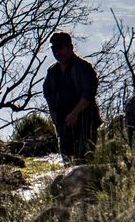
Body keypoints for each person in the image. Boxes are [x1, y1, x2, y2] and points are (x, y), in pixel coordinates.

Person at [42, 32, 100, 162]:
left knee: (85, 160)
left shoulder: (84, 67)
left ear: (70, 47)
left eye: (60, 48)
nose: (57, 52)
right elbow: (47, 93)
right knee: (67, 161)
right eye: (54, 49)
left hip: (85, 122)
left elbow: (88, 93)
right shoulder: (52, 71)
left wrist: (75, 114)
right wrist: (53, 114)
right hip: (63, 124)